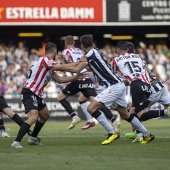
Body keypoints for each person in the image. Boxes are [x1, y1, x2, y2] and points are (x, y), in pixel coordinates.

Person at [53, 35, 154, 145]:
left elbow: (77, 68)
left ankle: (112, 133)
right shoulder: (93, 52)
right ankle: (146, 134)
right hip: (118, 84)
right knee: (125, 114)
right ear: (92, 43)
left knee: (91, 108)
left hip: (113, 86)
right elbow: (78, 64)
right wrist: (66, 64)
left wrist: (56, 66)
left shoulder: (89, 54)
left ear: (81, 45)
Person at [11, 42, 84, 148]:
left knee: (45, 115)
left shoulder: (48, 66)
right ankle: (16, 142)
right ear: (54, 51)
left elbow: (60, 80)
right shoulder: (45, 59)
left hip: (37, 94)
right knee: (33, 117)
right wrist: (78, 63)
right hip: (29, 91)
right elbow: (61, 68)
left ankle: (33, 137)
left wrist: (75, 77)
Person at [58, 35, 118, 131]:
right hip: (87, 78)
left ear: (65, 43)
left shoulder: (66, 51)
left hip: (77, 78)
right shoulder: (79, 50)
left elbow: (65, 63)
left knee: (60, 97)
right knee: (93, 101)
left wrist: (63, 66)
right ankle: (113, 121)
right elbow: (80, 61)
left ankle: (74, 116)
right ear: (74, 43)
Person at [124, 42, 170, 140]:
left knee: (140, 114)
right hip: (160, 86)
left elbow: (134, 80)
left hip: (151, 91)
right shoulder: (139, 58)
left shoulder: (128, 63)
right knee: (132, 111)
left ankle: (166, 112)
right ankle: (138, 134)